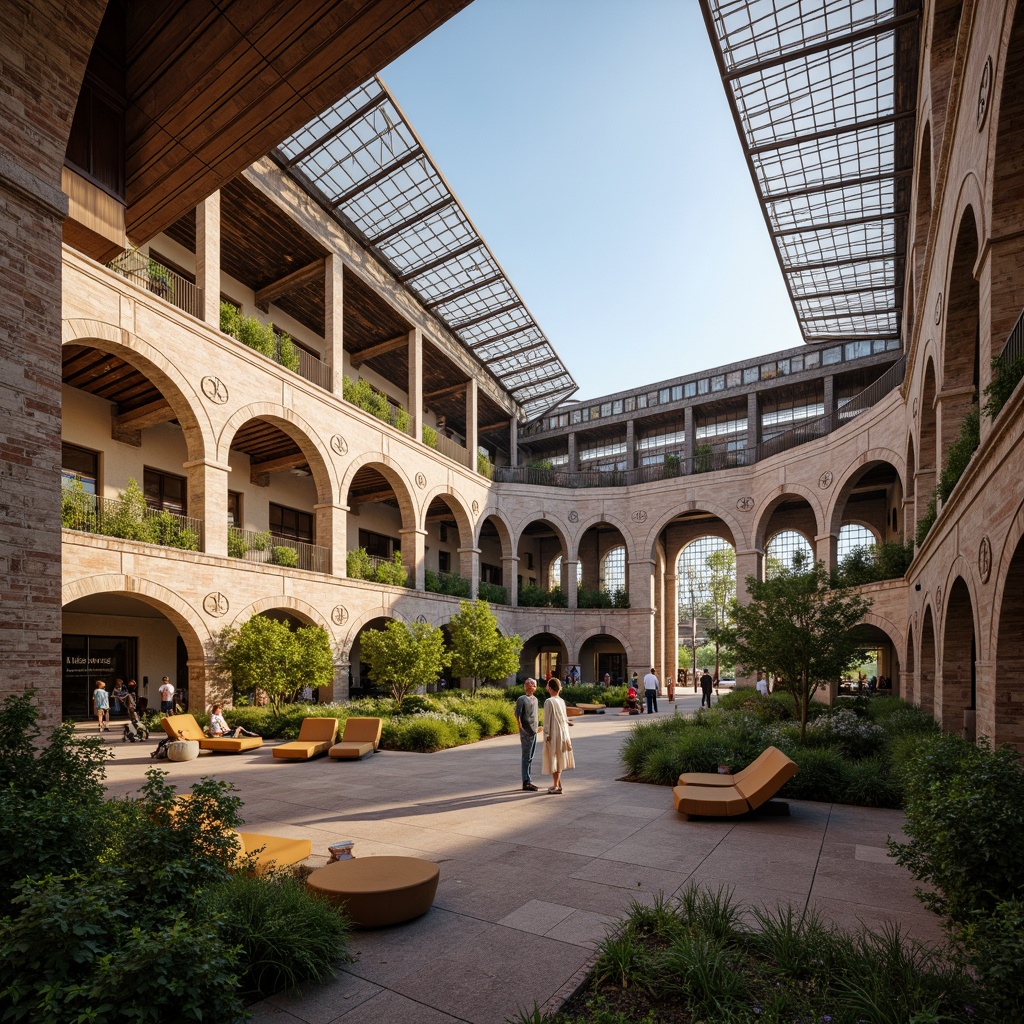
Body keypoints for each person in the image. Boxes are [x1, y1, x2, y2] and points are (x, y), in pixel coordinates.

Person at [542, 678, 574, 794]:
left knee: (554, 757)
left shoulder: (549, 701)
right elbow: (564, 718)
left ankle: (556, 785)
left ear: (550, 688)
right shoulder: (561, 701)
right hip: (563, 732)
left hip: (554, 732)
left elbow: (547, 721)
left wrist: (546, 735)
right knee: (559, 757)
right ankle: (557, 784)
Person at [515, 678, 540, 791]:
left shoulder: (535, 699)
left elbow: (535, 716)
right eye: (527, 683)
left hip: (534, 732)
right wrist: (522, 729)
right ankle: (526, 781)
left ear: (535, 687)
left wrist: (537, 728)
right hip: (526, 732)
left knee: (530, 757)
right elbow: (517, 715)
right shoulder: (522, 699)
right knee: (526, 757)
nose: (529, 685)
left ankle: (529, 780)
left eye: (532, 684)